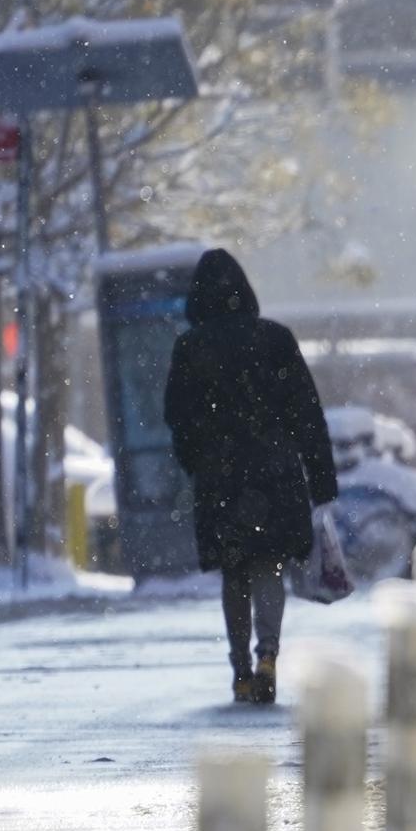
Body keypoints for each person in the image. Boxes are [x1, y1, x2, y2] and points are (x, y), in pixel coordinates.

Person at [163, 248, 341, 706]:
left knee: (234, 570)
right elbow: (307, 412)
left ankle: (240, 668)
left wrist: (197, 462)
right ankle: (269, 655)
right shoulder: (276, 340)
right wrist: (320, 478)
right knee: (269, 565)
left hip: (220, 477)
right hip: (275, 471)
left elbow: (177, 417)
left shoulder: (191, 348)